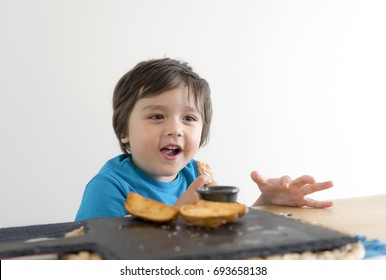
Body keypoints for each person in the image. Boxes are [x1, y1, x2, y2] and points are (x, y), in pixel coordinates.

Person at [75, 58, 333, 221]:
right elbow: (99, 259)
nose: (175, 129)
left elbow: (221, 227)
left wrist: (266, 204)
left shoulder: (196, 175)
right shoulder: (108, 187)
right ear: (124, 130)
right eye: (156, 116)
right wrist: (175, 217)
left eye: (188, 118)